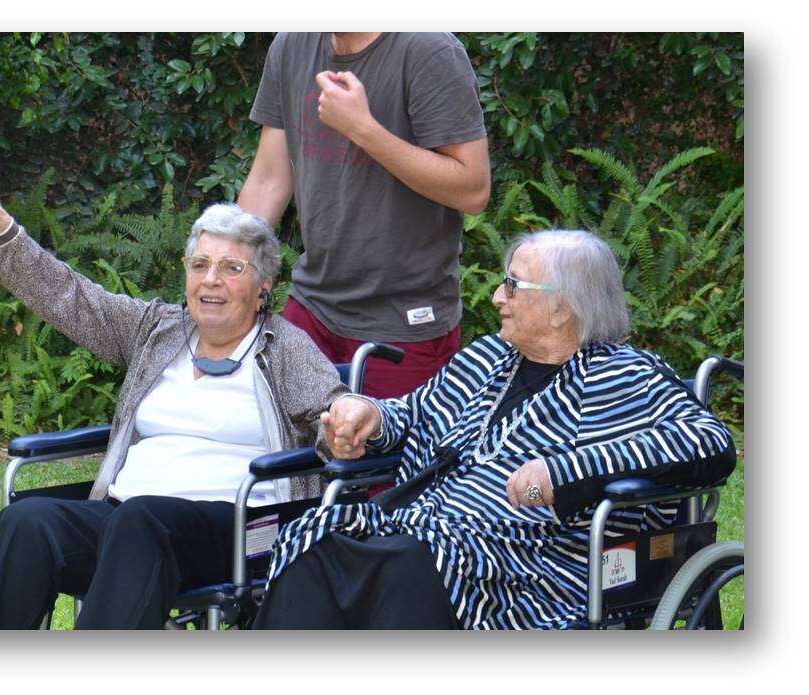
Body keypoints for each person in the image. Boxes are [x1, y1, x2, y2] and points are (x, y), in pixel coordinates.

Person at [252, 230, 737, 629]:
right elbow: (413, 414)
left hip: (531, 563)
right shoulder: (486, 358)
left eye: (513, 286)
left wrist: (566, 472)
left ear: (562, 307)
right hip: (421, 529)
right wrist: (371, 416)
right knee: (313, 540)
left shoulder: (625, 376)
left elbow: (708, 442)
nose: (496, 297)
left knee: (408, 565)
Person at [0, 153, 348, 629]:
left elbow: (334, 410)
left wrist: (342, 428)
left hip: (240, 530)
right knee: (28, 522)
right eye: (200, 264)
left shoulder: (284, 346)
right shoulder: (157, 330)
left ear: (263, 287)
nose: (211, 279)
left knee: (142, 519)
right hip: (126, 519)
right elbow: (70, 298)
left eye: (231, 268)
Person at [238, 32, 491, 398]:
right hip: (312, 305)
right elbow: (269, 179)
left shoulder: (430, 50)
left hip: (404, 324)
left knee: (388, 438)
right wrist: (230, 267)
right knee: (279, 431)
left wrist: (362, 129)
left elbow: (473, 190)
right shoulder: (292, 44)